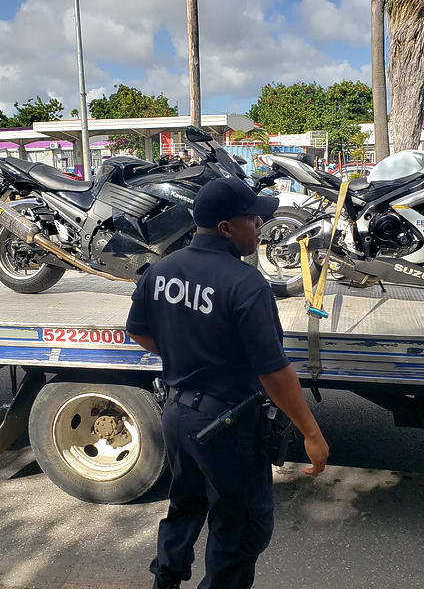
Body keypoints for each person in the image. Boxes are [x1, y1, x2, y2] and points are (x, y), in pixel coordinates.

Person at [126, 177, 329, 589]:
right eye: (252, 219)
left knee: (185, 505)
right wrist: (311, 432)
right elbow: (274, 372)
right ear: (226, 228)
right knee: (239, 529)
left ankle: (164, 581)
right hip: (226, 427)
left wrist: (186, 356)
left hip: (178, 414)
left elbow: (138, 330)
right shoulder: (245, 283)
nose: (259, 226)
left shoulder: (162, 269)